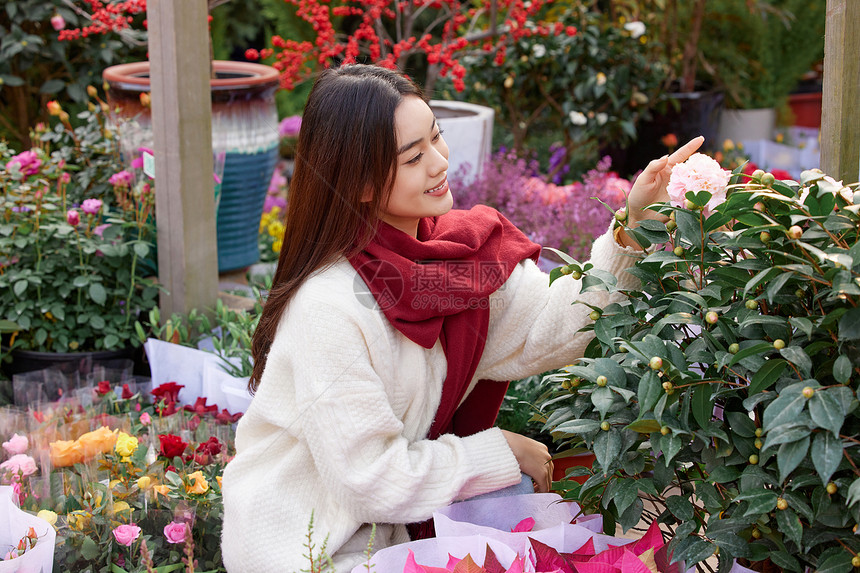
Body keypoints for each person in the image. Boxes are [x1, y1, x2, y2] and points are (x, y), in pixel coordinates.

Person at [221, 64, 703, 572]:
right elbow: (373, 479)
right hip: (310, 547)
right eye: (413, 157)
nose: (438, 163)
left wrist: (630, 226)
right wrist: (500, 450)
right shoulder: (329, 305)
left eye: (436, 138)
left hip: (394, 533)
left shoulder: (450, 259)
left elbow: (553, 327)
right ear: (361, 182)